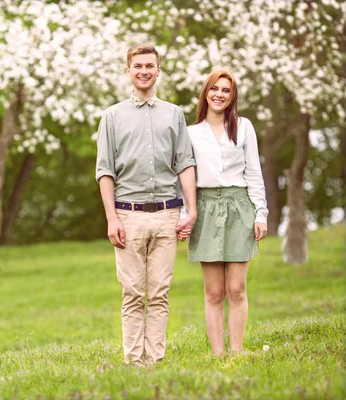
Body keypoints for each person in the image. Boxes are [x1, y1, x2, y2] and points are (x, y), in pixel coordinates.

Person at [95, 43, 197, 367]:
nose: (143, 71)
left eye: (149, 66)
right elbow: (105, 170)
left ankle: (154, 361)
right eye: (137, 66)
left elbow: (185, 164)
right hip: (128, 215)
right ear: (128, 71)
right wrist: (112, 218)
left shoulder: (174, 114)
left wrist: (190, 210)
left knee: (160, 293)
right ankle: (133, 362)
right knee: (133, 293)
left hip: (168, 214)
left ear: (158, 70)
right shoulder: (112, 117)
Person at [185, 68, 268, 355]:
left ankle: (237, 351)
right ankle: (218, 353)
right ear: (205, 93)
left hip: (238, 207)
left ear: (232, 97)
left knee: (236, 289)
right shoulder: (190, 134)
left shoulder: (244, 127)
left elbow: (254, 173)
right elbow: (183, 178)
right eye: (214, 89)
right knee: (214, 292)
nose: (219, 94)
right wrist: (185, 213)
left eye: (226, 90)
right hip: (205, 209)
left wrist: (260, 213)